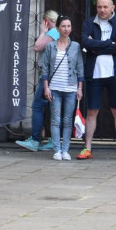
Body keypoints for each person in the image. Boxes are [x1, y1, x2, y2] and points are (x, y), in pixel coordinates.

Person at [79, 0, 116, 160]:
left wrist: (97, 45)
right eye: (99, 7)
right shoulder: (89, 22)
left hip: (115, 74)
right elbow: (86, 43)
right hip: (94, 74)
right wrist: (110, 44)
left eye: (105, 7)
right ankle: (87, 148)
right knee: (92, 111)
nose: (102, 10)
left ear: (112, 7)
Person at [41, 16, 84, 161]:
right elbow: (45, 68)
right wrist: (46, 88)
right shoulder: (50, 46)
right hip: (54, 88)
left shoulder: (75, 46)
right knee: (55, 119)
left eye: (69, 26)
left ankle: (65, 149)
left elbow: (80, 68)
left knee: (67, 120)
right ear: (58, 28)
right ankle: (56, 150)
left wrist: (80, 88)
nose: (67, 29)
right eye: (64, 26)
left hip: (70, 88)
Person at [17, 10, 59, 151]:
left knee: (37, 106)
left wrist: (42, 32)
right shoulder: (59, 33)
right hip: (56, 75)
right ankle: (54, 140)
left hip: (48, 76)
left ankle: (35, 140)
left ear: (46, 21)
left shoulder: (53, 33)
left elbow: (37, 47)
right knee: (54, 108)